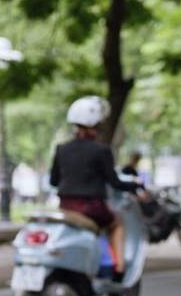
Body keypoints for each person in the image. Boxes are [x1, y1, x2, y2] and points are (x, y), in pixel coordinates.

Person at [49, 96, 142, 277]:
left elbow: (53, 181)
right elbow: (114, 182)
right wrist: (135, 184)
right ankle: (119, 270)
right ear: (95, 124)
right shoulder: (101, 150)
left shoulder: (62, 149)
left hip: (66, 207)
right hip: (92, 208)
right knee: (116, 224)